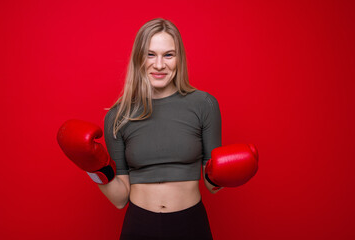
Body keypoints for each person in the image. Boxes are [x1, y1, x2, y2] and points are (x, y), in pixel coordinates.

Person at [57, 18, 258, 240]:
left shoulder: (204, 104)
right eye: (150, 54)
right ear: (138, 58)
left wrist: (224, 174)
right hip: (139, 225)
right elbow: (119, 198)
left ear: (179, 58)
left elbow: (211, 185)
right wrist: (92, 168)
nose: (160, 65)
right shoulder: (118, 115)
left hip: (190, 225)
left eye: (168, 55)